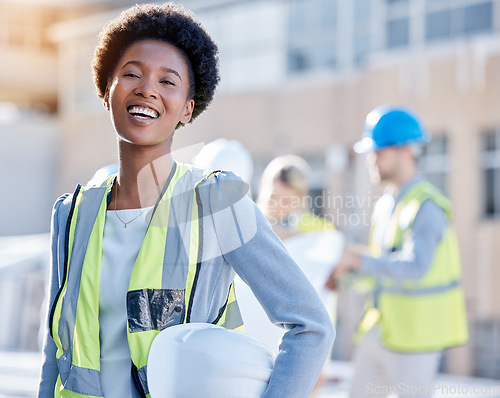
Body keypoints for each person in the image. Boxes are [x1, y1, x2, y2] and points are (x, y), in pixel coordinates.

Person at [37, 4, 335, 398]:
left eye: (168, 81)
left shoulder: (216, 201)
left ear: (187, 108)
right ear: (106, 90)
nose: (147, 88)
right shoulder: (71, 212)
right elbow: (55, 348)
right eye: (131, 74)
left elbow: (311, 327)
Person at [325, 105, 468, 397]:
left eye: (380, 152)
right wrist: (347, 274)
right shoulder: (387, 205)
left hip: (417, 340)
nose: (372, 161)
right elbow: (380, 269)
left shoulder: (427, 205)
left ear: (407, 151)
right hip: (381, 330)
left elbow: (415, 268)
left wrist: (357, 259)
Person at [257, 154, 335, 240]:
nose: (277, 205)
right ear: (262, 186)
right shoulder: (249, 223)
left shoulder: (322, 229)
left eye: (285, 201)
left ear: (299, 199)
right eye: (273, 196)